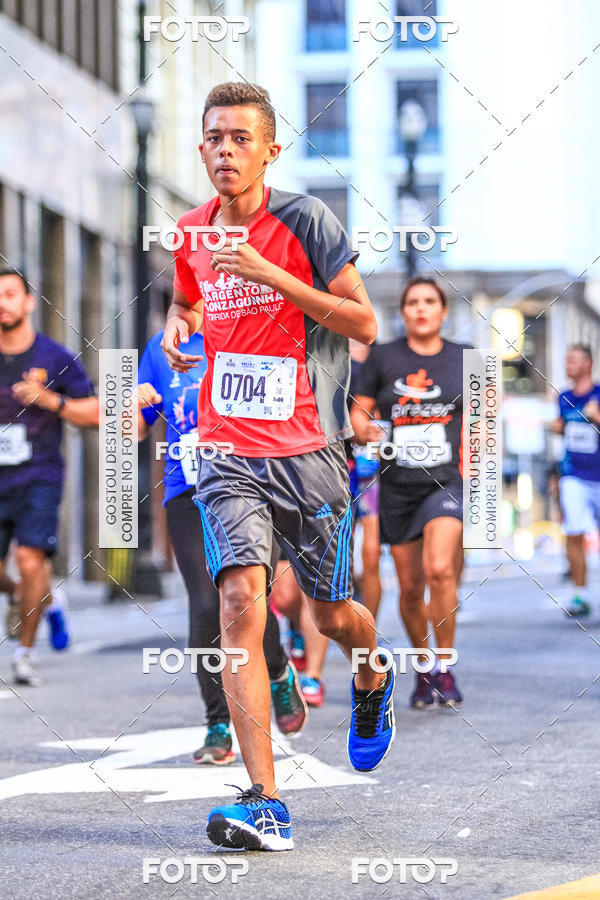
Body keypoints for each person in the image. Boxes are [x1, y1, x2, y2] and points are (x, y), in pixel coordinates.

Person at [161, 82, 394, 852]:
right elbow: (190, 301)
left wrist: (274, 279)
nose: (224, 150)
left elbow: (364, 322)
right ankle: (265, 799)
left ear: (269, 150)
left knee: (331, 615)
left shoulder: (305, 221)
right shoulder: (191, 232)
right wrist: (176, 322)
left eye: (239, 138)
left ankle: (371, 675)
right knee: (238, 603)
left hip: (313, 452)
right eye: (213, 138)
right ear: (201, 149)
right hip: (228, 450)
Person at [136, 330, 307, 763]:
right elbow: (135, 431)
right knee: (206, 603)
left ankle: (278, 670)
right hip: (188, 489)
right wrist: (131, 403)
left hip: (248, 485)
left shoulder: (248, 328)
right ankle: (217, 722)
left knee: (248, 597)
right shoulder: (160, 347)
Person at [352, 276, 467, 710]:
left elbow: (487, 418)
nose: (421, 308)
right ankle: (423, 670)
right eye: (413, 302)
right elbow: (360, 408)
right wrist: (362, 424)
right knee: (409, 586)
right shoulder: (383, 357)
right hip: (396, 485)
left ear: (443, 311)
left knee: (440, 569)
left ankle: (446, 665)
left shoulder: (464, 359)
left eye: (429, 301)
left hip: (446, 482)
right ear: (403, 312)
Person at [0, 268, 99, 684]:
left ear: (27, 301)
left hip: (39, 474)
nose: (2, 302)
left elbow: (95, 413)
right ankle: (40, 597)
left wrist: (49, 400)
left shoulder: (54, 358)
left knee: (30, 557)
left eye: (9, 294)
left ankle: (24, 654)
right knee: (18, 575)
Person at [552, 344, 600, 617]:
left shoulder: (599, 394)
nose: (568, 365)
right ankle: (580, 595)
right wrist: (557, 428)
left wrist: (596, 417)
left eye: (573, 361)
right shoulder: (564, 397)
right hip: (573, 475)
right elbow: (564, 428)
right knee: (573, 531)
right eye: (566, 360)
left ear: (588, 364)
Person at [347, 339, 382, 619]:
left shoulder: (381, 360)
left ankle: (370, 629)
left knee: (371, 554)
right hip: (337, 466)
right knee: (339, 556)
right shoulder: (324, 352)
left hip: (373, 469)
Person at [270, 555, 329, 707]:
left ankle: (313, 677)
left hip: (316, 532)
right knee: (284, 599)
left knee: (313, 592)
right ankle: (298, 628)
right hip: (281, 530)